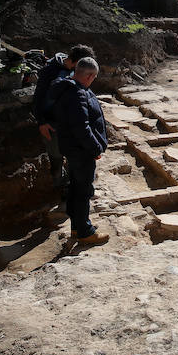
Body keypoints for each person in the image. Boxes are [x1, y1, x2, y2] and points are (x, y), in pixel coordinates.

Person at [48, 57, 109, 247]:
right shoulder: (77, 93)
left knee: (76, 187)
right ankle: (84, 232)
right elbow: (81, 128)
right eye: (94, 78)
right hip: (81, 151)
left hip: (72, 148)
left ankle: (78, 225)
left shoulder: (68, 87)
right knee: (83, 191)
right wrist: (95, 148)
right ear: (89, 76)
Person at [32, 44, 95, 191]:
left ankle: (74, 182)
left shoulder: (75, 70)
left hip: (71, 123)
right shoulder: (50, 72)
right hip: (53, 123)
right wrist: (42, 122)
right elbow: (38, 99)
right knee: (56, 156)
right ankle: (59, 185)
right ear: (74, 61)